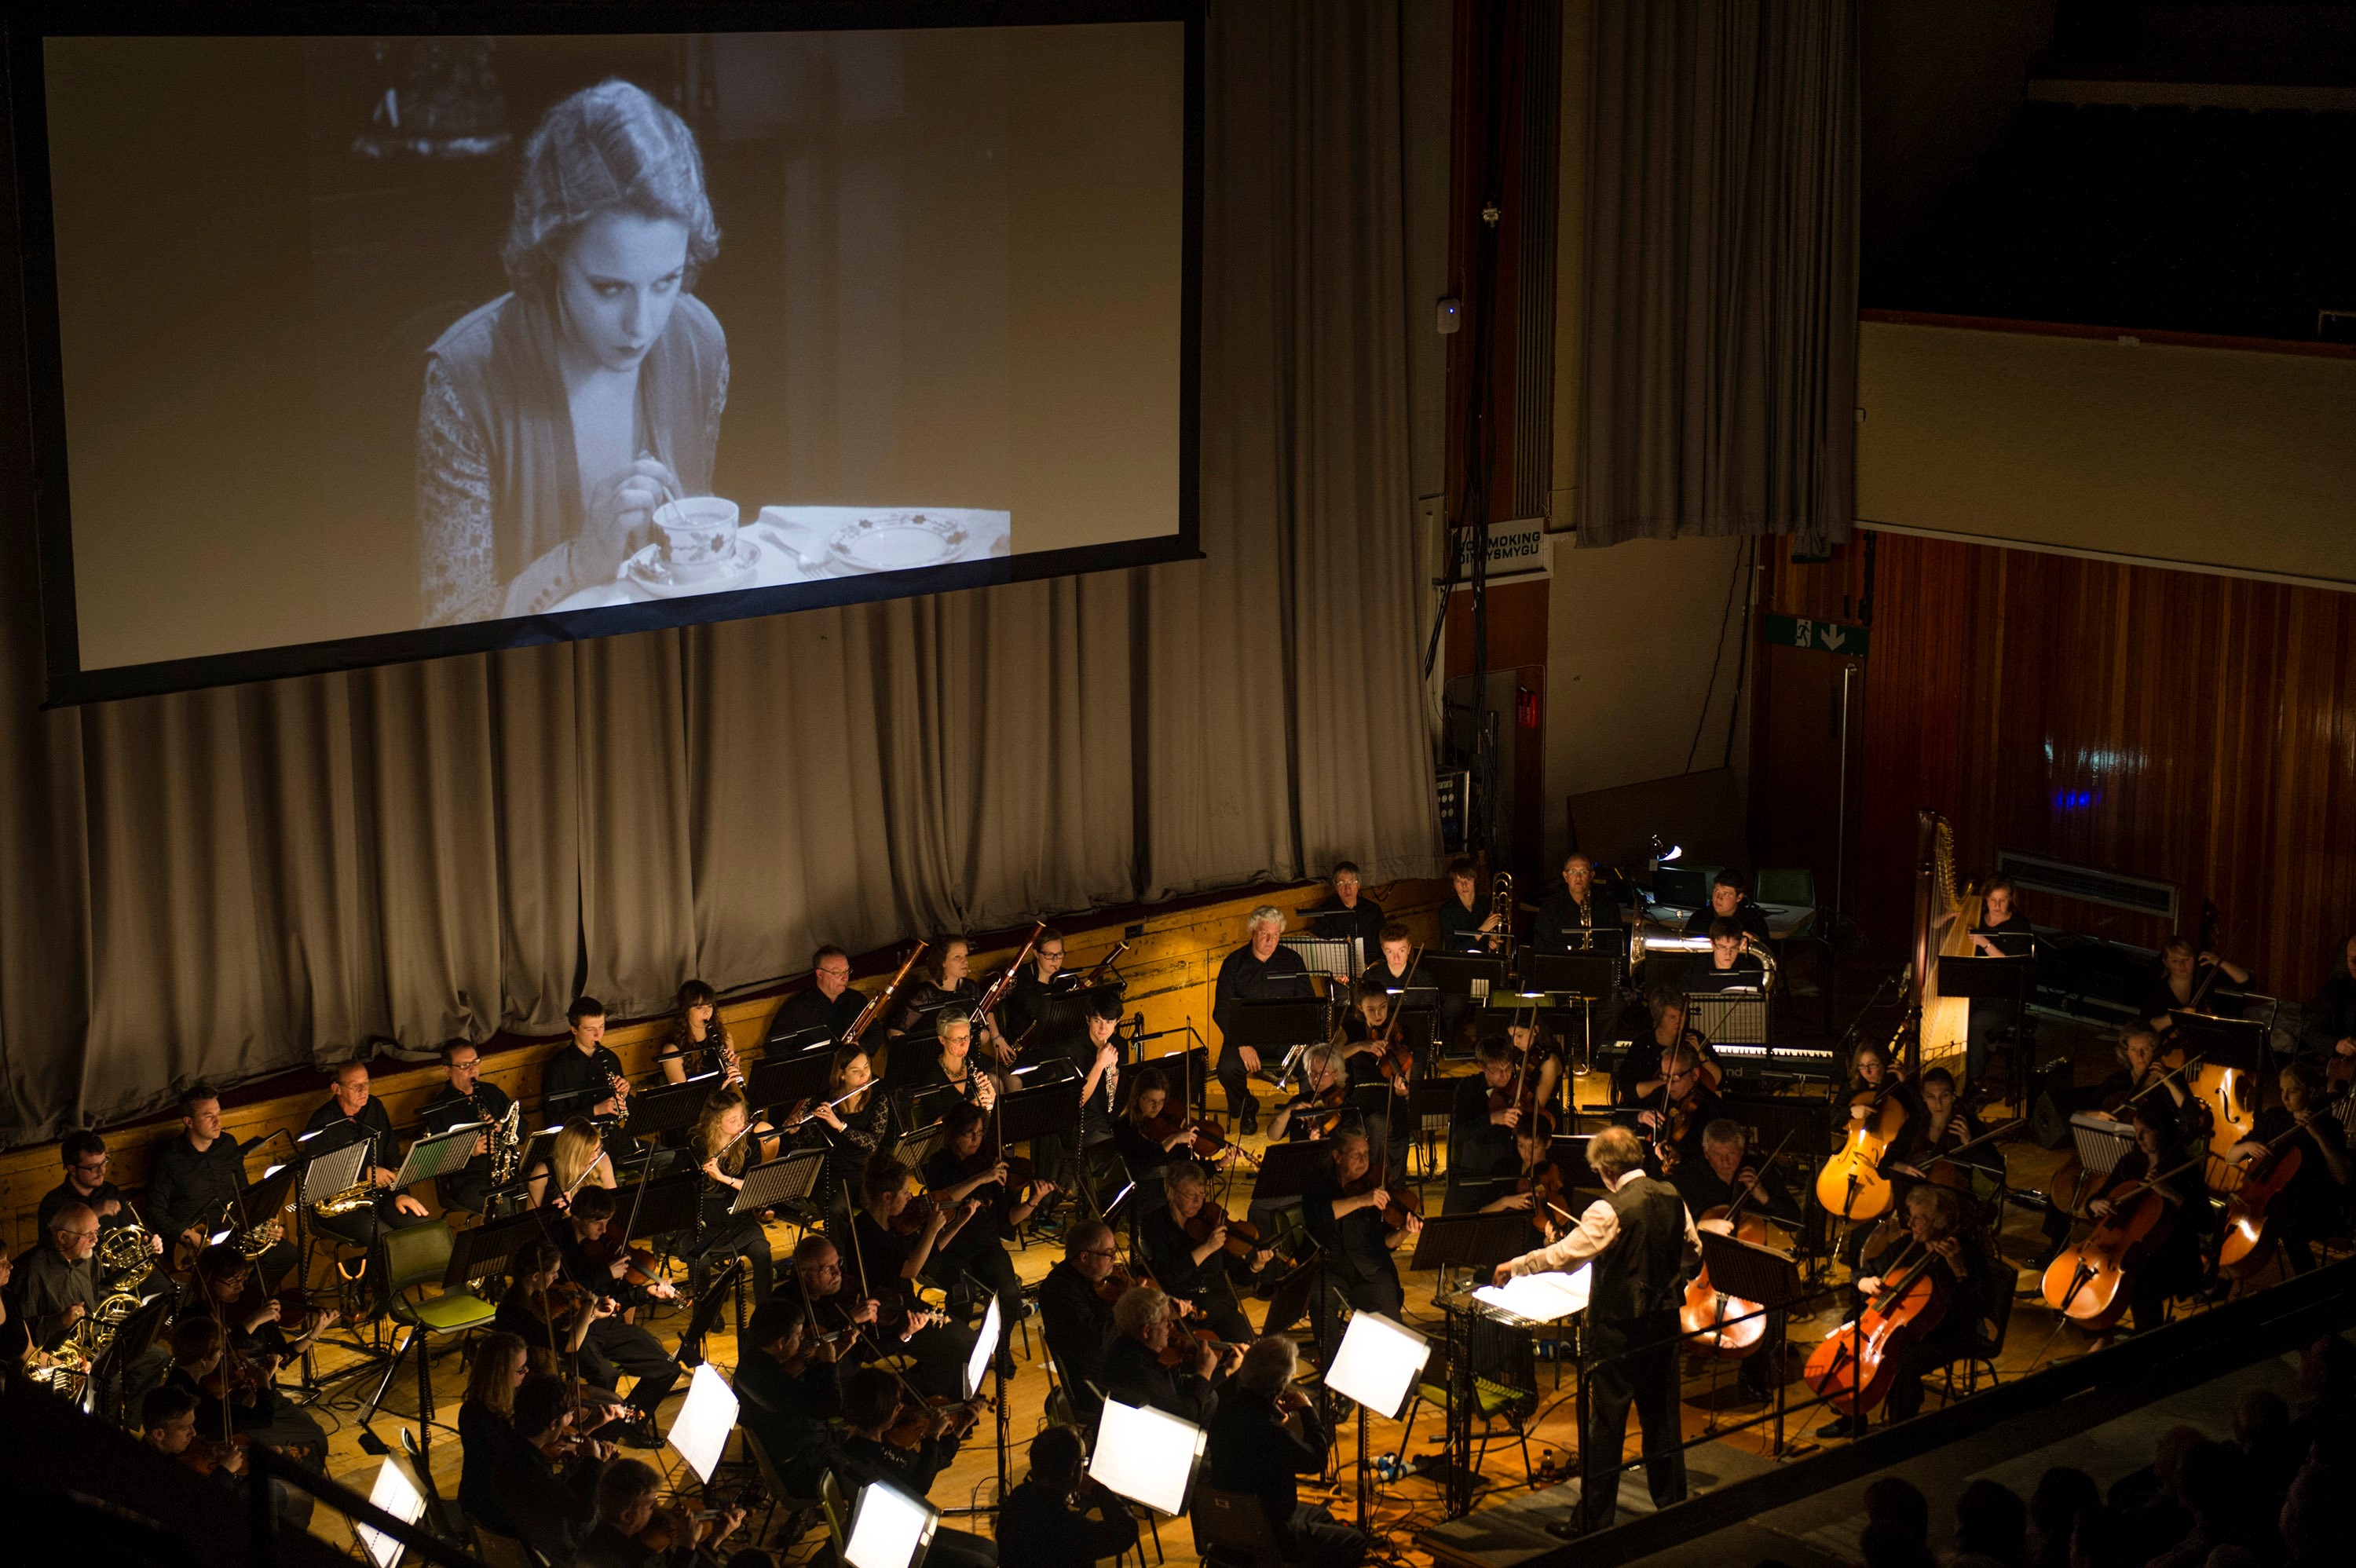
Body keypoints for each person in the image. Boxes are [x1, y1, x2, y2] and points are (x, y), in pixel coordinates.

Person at [419, 79, 727, 626]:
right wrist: (580, 562)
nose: (642, 324)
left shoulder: (700, 344)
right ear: (553, 248)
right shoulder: (466, 380)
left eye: (667, 281)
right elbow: (447, 628)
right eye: (609, 288)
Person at [1492, 1125, 1699, 1530]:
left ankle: (1593, 1520)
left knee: (1606, 1426)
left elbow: (1565, 1256)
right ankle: (1674, 1508)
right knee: (1662, 1418)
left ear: (1605, 1169)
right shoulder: (1673, 1196)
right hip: (1664, 1322)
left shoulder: (1608, 1209)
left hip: (1618, 1328)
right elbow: (1693, 1251)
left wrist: (1515, 1266)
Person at [1816, 1184, 1992, 1437]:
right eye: (1910, 1216)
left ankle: (1901, 1428)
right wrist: (1865, 1282)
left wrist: (1959, 1271)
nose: (1911, 1224)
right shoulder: (1909, 1246)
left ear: (1940, 1220)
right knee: (1851, 1331)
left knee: (1903, 1361)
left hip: (1949, 1333)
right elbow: (1863, 1273)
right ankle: (1852, 1416)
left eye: (1919, 1218)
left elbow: (1982, 1305)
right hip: (1907, 1329)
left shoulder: (1966, 1253)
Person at [1202, 1336, 1366, 1568]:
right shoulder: (1271, 1431)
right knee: (1355, 1542)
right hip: (1271, 1534)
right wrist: (1308, 1411)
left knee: (1324, 1517)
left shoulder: (1222, 1412)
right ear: (1281, 1384)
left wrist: (1272, 1411)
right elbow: (1316, 1460)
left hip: (1230, 1524)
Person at [924, 1102, 1052, 1377]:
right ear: (953, 1134)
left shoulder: (991, 1166)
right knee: (963, 1294)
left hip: (985, 1245)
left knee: (1009, 1293)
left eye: (980, 1133)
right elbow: (946, 1198)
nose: (976, 1140)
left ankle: (1000, 1349)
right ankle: (956, 1356)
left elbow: (1008, 1219)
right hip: (949, 1248)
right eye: (969, 1133)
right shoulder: (940, 1164)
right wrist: (981, 1179)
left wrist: (1033, 1201)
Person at [552, 1186, 685, 1435]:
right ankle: (599, 1437)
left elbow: (611, 1299)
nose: (604, 1231)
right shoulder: (557, 1244)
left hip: (601, 1321)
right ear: (577, 1217)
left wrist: (645, 1293)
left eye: (607, 1222)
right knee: (605, 1375)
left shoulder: (598, 1246)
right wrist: (606, 1274)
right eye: (597, 1223)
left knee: (668, 1368)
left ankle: (628, 1426)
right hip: (573, 1327)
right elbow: (574, 1288)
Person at [832, 1368, 997, 1568]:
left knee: (991, 1550)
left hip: (909, 1526)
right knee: (982, 1564)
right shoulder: (862, 1457)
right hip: (889, 1543)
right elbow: (919, 1485)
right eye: (896, 1404)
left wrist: (958, 1430)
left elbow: (929, 1466)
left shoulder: (883, 1440)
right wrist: (932, 1436)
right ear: (880, 1409)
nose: (902, 1408)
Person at [2071, 1102, 2208, 1335]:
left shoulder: (2184, 1169)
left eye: (2146, 1132)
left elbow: (2205, 1221)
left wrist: (2173, 1195)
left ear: (2163, 1131)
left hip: (2174, 1256)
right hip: (2130, 1249)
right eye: (2136, 1132)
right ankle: (2101, 1336)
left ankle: (2147, 1340)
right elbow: (2097, 1197)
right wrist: (2095, 1204)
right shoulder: (2130, 1164)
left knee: (2139, 1280)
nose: (2139, 1138)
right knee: (2095, 1266)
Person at [851, 1158, 980, 1399]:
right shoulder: (866, 1233)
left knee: (968, 1340)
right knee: (959, 1348)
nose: (911, 1198)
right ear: (887, 1197)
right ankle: (912, 1396)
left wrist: (958, 1223)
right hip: (889, 1318)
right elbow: (910, 1270)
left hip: (906, 1306)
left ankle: (940, 1400)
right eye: (906, 1193)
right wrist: (930, 1230)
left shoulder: (893, 1224)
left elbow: (925, 1255)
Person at [146, 1084, 294, 1287]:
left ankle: (247, 1306)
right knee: (228, 1270)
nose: (218, 1122)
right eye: (208, 1116)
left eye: (218, 1113)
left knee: (285, 1254)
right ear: (188, 1121)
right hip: (195, 1240)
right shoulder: (170, 1158)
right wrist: (189, 1236)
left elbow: (245, 1192)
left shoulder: (228, 1144)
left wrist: (265, 1223)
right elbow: (155, 1211)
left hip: (233, 1229)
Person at [1301, 1128, 1420, 1361]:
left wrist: (1405, 1231)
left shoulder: (1375, 1182)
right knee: (1318, 1297)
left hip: (1370, 1269)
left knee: (1391, 1327)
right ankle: (1333, 1373)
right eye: (1356, 1155)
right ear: (1337, 1156)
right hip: (1331, 1269)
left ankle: (1393, 1376)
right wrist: (1362, 1200)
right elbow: (1318, 1215)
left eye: (1366, 1153)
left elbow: (1385, 1242)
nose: (1364, 1161)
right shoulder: (1319, 1181)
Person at [2223, 1058, 2351, 1274]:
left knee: (2290, 1225)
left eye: (2291, 1091)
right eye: (2282, 1090)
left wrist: (2319, 1137)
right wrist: (2248, 1146)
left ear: (2310, 1092)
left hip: (2314, 1204)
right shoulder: (2273, 1118)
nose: (2284, 1098)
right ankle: (2220, 1275)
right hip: (2272, 1201)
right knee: (2228, 1209)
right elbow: (2230, 1157)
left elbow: (2343, 1177)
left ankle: (2307, 1283)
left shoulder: (2328, 1126)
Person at [299, 1061, 432, 1262]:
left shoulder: (374, 1107)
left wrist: (401, 1193)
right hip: (338, 1205)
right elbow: (319, 1174)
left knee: (420, 1225)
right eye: (356, 1086)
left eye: (367, 1084)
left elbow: (392, 1155)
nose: (364, 1091)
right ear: (337, 1089)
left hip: (378, 1195)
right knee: (385, 1238)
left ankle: (373, 1275)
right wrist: (364, 1173)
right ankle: (382, 1286)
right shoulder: (321, 1123)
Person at [1141, 1162, 1274, 1345]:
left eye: (1202, 1194)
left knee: (1248, 1347)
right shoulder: (1154, 1224)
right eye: (1191, 1195)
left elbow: (1239, 1275)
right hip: (1181, 1310)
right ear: (1171, 1192)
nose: (1198, 1202)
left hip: (1218, 1305)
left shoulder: (1210, 1217)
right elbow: (1168, 1275)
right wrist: (1207, 1248)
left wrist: (1254, 1267)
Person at [485, 1372, 609, 1560]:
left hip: (528, 1534)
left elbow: (558, 1494)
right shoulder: (527, 1468)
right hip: (552, 1554)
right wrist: (593, 1462)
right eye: (570, 1414)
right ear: (554, 1423)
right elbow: (583, 1511)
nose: (572, 1418)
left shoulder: (512, 1446)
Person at [1212, 905, 1312, 1135]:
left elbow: (1307, 1003)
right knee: (1227, 1068)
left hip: (1286, 1038)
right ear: (1253, 931)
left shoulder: (1293, 961)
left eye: (1276, 935)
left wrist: (1300, 1037)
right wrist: (1242, 1044)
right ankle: (1247, 1107)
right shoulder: (1233, 964)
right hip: (1246, 1038)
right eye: (1265, 933)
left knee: (1313, 1062)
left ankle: (1301, 1117)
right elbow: (1221, 1011)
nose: (1270, 940)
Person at [732, 1296, 845, 1497]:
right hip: (800, 1469)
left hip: (793, 1448)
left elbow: (789, 1378)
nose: (803, 1340)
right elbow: (830, 1407)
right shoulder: (771, 1385)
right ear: (782, 1342)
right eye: (799, 1336)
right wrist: (830, 1364)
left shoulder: (752, 1360)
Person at [995, 1424, 1140, 1568]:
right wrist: (1099, 1489)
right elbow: (1126, 1531)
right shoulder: (1071, 1530)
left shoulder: (1017, 1497)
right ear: (1074, 1470)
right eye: (1083, 1462)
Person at [687, 1086, 777, 1304]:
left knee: (761, 1250)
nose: (742, 1125)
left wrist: (723, 1177)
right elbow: (682, 1188)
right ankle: (706, 1310)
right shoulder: (695, 1144)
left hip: (736, 1213)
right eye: (734, 1120)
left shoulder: (748, 1144)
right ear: (717, 1122)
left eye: (742, 1118)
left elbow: (756, 1188)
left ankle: (766, 1308)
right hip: (702, 1216)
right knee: (701, 1261)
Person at [577, 1456, 744, 1568]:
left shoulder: (596, 1530)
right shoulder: (635, 1561)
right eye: (651, 1505)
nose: (657, 1509)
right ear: (627, 1516)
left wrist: (715, 1538)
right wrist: (687, 1546)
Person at [1103, 1284, 1231, 1425]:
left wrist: (1225, 1371)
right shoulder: (1142, 1372)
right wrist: (1204, 1372)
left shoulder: (1125, 1346)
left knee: (1210, 1397)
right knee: (1210, 1400)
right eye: (1165, 1321)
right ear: (1146, 1331)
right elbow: (1187, 1415)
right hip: (1150, 1428)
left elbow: (1177, 1386)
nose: (1170, 1327)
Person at [418, 1039, 517, 1215]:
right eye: (464, 1065)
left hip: (505, 1172)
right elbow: (431, 1161)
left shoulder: (491, 1093)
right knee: (504, 1208)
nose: (473, 1070)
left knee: (541, 1189)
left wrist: (501, 1128)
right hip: (467, 1181)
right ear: (448, 1070)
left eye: (475, 1062)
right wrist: (470, 1150)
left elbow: (522, 1130)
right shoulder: (439, 1109)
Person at [1036, 1219, 1121, 1425]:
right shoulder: (1059, 1290)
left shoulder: (1092, 1279)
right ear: (1084, 1257)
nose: (1115, 1258)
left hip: (1110, 1364)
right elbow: (1097, 1341)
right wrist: (1124, 1306)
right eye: (1109, 1253)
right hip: (1096, 1382)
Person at [788, 1043, 892, 1208]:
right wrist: (794, 1132)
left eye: (866, 1067)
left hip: (866, 1170)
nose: (864, 1075)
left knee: (884, 1200)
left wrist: (840, 1125)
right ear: (842, 1075)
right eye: (856, 1071)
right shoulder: (825, 1102)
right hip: (834, 1173)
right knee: (837, 1206)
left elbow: (872, 1143)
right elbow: (803, 1146)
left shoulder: (878, 1100)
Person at [542, 997, 643, 1162]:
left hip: (612, 1138)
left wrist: (624, 1096)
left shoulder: (610, 1059)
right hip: (579, 1146)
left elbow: (626, 1109)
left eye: (602, 1026)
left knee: (668, 1157)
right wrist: (596, 1110)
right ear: (574, 1030)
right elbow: (553, 1122)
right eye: (590, 1029)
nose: (598, 1035)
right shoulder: (558, 1068)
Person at [1959, 875, 2036, 1081]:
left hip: (2005, 998)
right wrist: (1950, 915)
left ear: (2011, 899)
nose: (1997, 905)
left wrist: (1985, 943)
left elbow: (2012, 966)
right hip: (1976, 994)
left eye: (2003, 900)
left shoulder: (2019, 926)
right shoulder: (1975, 917)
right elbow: (1934, 927)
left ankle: (1973, 1083)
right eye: (1993, 899)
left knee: (1976, 1023)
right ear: (1985, 899)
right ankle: (1949, 1075)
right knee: (1955, 1015)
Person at [891, 935, 1009, 1065]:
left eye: (966, 956)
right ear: (943, 962)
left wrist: (995, 1037)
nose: (965, 962)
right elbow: (895, 1031)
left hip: (965, 1056)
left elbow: (986, 1010)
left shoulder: (970, 988)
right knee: (991, 1080)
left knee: (1012, 1080)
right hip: (934, 1061)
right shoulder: (925, 993)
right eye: (958, 957)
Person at [459, 1332, 530, 1527]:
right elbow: (516, 1462)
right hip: (488, 1506)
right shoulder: (475, 1415)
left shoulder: (510, 1400)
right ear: (501, 1371)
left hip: (504, 1494)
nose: (527, 1372)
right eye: (521, 1369)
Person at [1447, 1037, 1526, 1213]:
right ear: (1482, 1067)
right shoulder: (1467, 1088)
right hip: (1476, 1171)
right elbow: (1459, 1133)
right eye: (1497, 1070)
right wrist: (1491, 1119)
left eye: (1508, 1068)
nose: (1505, 1075)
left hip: (1510, 1172)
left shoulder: (1519, 1087)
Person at [16, 1201, 101, 1353]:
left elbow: (103, 1296)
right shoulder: (31, 1269)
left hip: (96, 1344)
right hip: (57, 1355)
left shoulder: (91, 1259)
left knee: (155, 1356)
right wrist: (60, 1321)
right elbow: (20, 1334)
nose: (95, 1240)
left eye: (97, 1232)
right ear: (63, 1237)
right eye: (88, 1234)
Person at [38, 1130, 148, 1241]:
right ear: (72, 1169)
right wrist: (94, 1213)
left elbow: (128, 1236)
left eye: (104, 1163)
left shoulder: (112, 1192)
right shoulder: (53, 1203)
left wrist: (147, 1242)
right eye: (93, 1167)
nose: (102, 1171)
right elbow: (53, 1247)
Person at [1636, 1044, 1725, 1175]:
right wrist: (1640, 1118)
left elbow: (1714, 1160)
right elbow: (1626, 1122)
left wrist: (1681, 1159)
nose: (1669, 1084)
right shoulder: (1660, 1095)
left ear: (1694, 1074)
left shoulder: (1713, 1108)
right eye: (1665, 1077)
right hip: (1653, 1178)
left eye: (1676, 1077)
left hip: (1690, 1182)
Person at [2142, 935, 2255, 1033]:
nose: (2182, 965)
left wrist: (2219, 962)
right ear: (2165, 962)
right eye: (2175, 961)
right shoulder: (2158, 989)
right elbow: (2147, 1026)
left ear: (2195, 958)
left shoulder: (2205, 978)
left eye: (2186, 959)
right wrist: (2177, 1016)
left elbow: (2246, 982)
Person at [1111, 1065, 1202, 1184]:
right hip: (1145, 1192)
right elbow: (1141, 1166)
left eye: (1161, 1101)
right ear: (1137, 1096)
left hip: (1173, 1188)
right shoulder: (1123, 1126)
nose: (1157, 1107)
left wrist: (1218, 1164)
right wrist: (1172, 1140)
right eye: (1152, 1101)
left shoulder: (1168, 1121)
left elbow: (1189, 1165)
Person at [656, 978, 742, 1086]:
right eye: (699, 1007)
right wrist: (720, 1084)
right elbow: (683, 1096)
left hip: (725, 1100)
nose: (707, 1012)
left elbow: (733, 1088)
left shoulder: (724, 1038)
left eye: (710, 1006)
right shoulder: (672, 1050)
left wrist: (735, 1075)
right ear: (686, 1011)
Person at [1532, 852, 1622, 955]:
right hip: (1560, 966)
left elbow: (1616, 945)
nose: (1578, 877)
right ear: (1565, 876)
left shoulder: (1607, 905)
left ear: (1591, 876)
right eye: (1573, 872)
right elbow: (1542, 947)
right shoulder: (1551, 906)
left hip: (1598, 966)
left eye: (1583, 872)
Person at [774, 946, 868, 1043]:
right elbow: (776, 1045)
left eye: (846, 971)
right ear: (820, 974)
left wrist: (857, 1051)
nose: (845, 978)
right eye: (836, 973)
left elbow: (874, 1034)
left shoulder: (857, 1000)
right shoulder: (797, 1006)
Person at [529, 1117, 620, 1208]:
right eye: (589, 1153)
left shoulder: (602, 1160)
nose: (595, 1156)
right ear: (574, 1153)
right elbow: (532, 1218)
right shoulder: (543, 1171)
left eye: (597, 1149)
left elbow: (615, 1205)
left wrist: (573, 1215)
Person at [1305, 862, 1385, 964]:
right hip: (1340, 970)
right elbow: (1322, 951)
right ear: (1336, 887)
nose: (1347, 888)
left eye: (1352, 882)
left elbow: (1385, 942)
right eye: (1342, 883)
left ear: (1358, 885)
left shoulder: (1374, 910)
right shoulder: (1325, 912)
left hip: (1372, 969)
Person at [2299, 932, 2356, 1062]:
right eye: (2349, 958)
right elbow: (2312, 1032)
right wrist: (2337, 1044)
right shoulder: (2336, 989)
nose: (2352, 964)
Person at [1681, 870, 1772, 946]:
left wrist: (1754, 941)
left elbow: (1766, 951)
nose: (1718, 898)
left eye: (1726, 894)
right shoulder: (1699, 918)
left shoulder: (1754, 922)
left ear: (1739, 897)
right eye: (1716, 891)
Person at [1688, 916, 1769, 992]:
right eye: (1722, 947)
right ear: (1712, 944)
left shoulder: (1750, 974)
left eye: (1733, 948)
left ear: (1740, 944)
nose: (1728, 954)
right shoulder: (1695, 971)